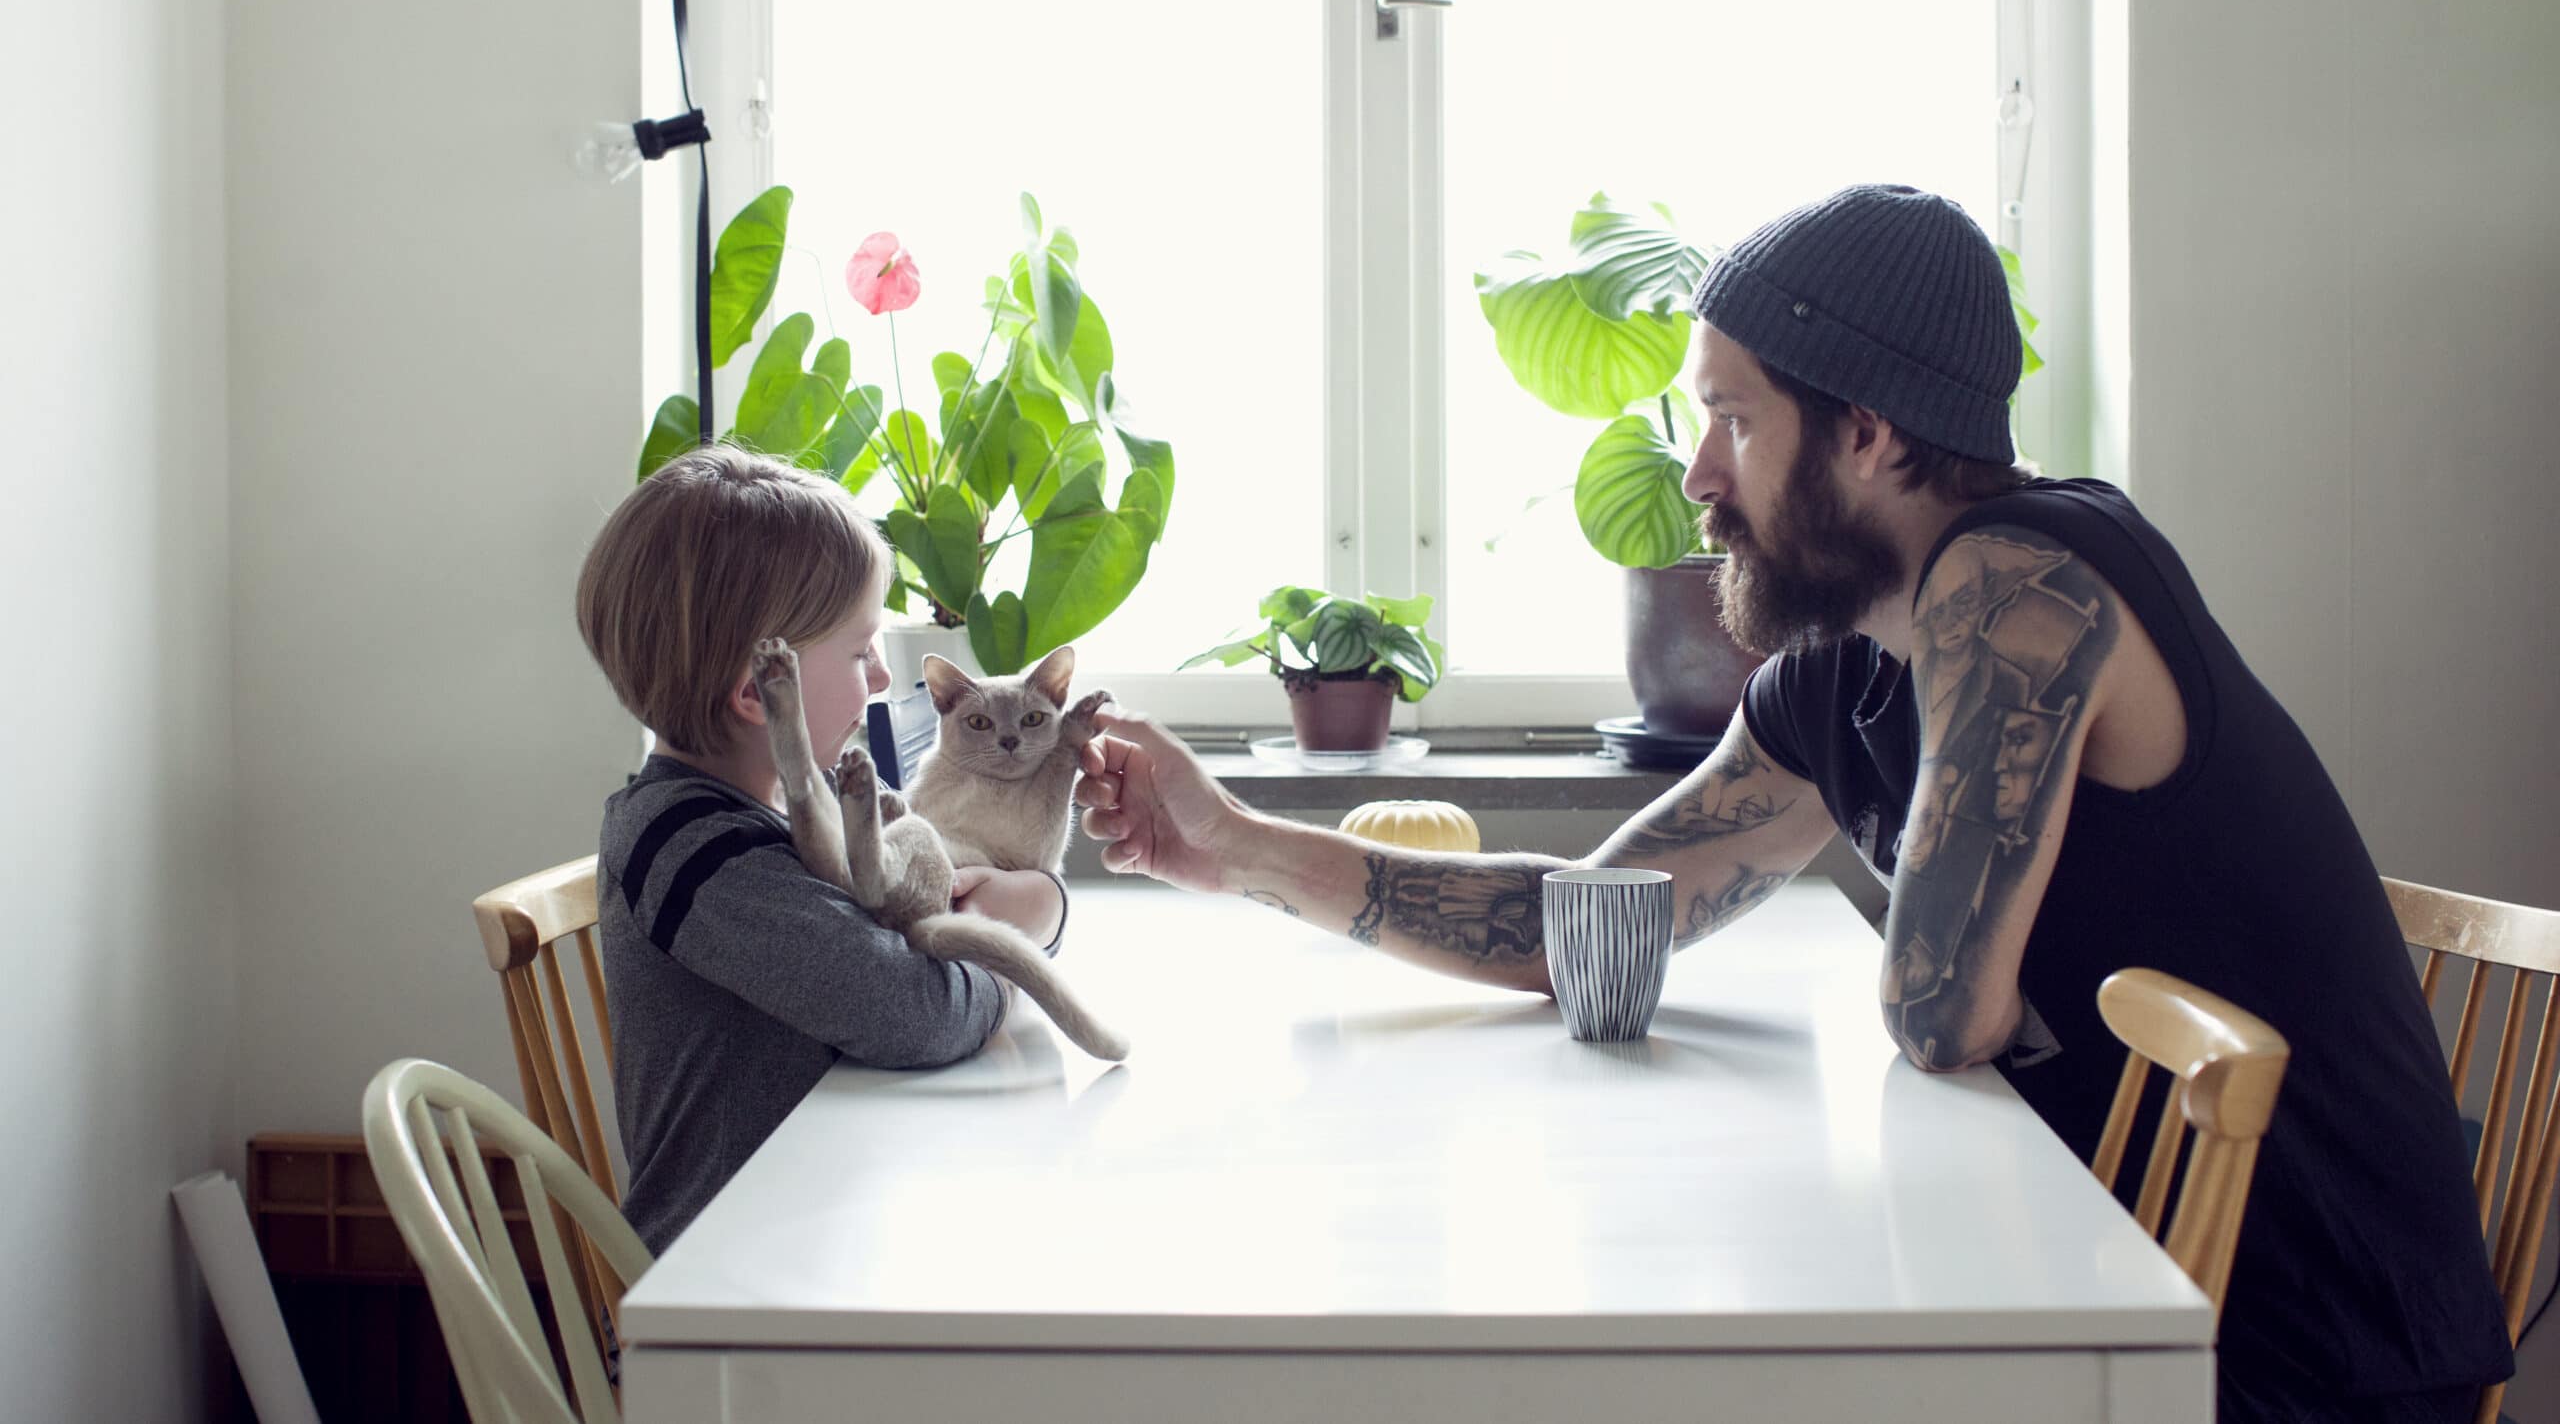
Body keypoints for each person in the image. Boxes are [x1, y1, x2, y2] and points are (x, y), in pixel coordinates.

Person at [1076, 186, 2512, 1421]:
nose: (1698, 473)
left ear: (1871, 433)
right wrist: (1235, 843)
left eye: (1732, 419)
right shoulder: (1847, 670)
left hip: (2301, 1346)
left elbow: (1937, 1009)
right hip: (2106, 1275)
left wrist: (1971, 1005)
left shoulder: (2027, 581)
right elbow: (1593, 923)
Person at [574, 444, 1064, 1252]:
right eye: (860, 648)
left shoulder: (763, 812)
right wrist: (1020, 941)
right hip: (720, 1294)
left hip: (811, 1222)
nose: (879, 677)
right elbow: (916, 1012)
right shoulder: (697, 855)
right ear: (756, 691)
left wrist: (1033, 905)